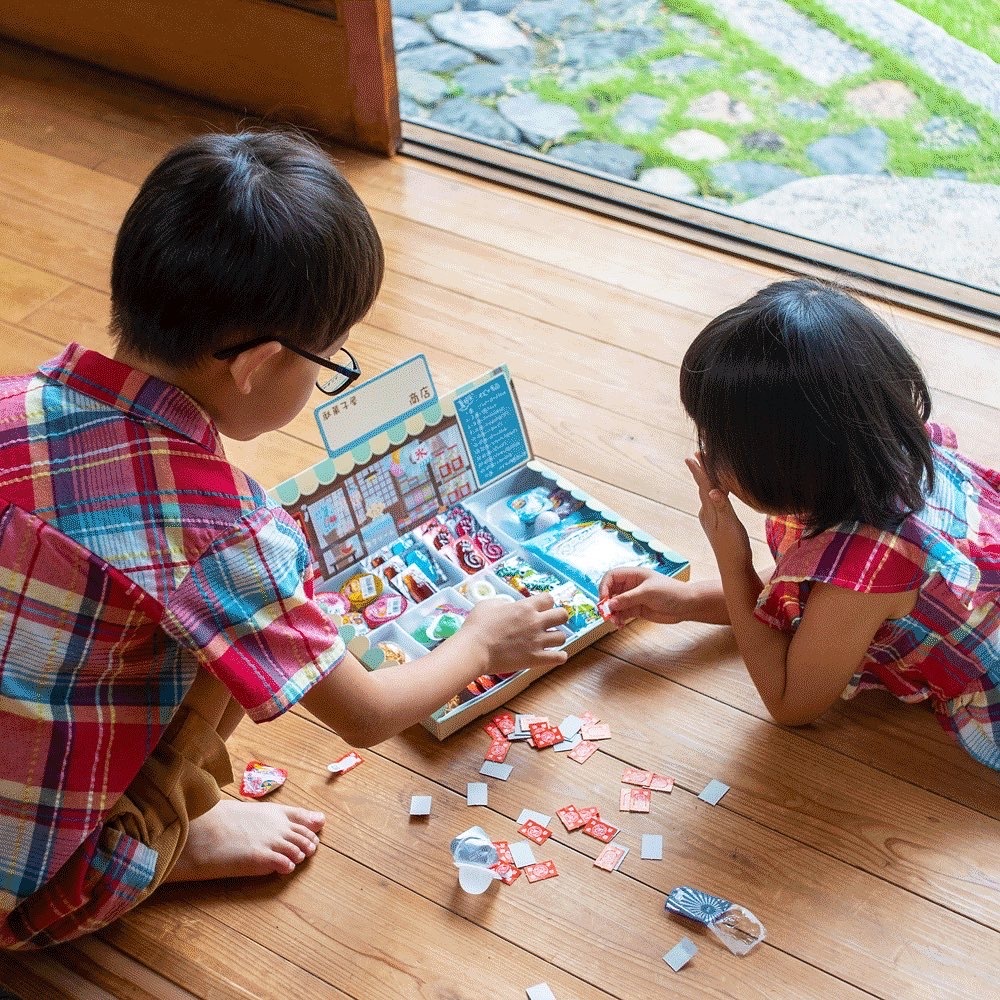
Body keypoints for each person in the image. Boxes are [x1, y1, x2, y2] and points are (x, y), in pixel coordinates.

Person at [0, 131, 568, 950]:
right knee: (246, 602)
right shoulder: (228, 535)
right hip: (40, 890)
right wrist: (480, 643)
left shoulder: (14, 403)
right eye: (328, 358)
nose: (328, 369)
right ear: (257, 365)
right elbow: (368, 715)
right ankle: (166, 835)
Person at [602, 279, 1000, 770]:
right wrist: (687, 600)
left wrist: (732, 557)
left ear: (785, 462)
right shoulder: (872, 456)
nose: (706, 452)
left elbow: (791, 702)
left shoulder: (869, 570)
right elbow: (804, 588)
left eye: (720, 441)